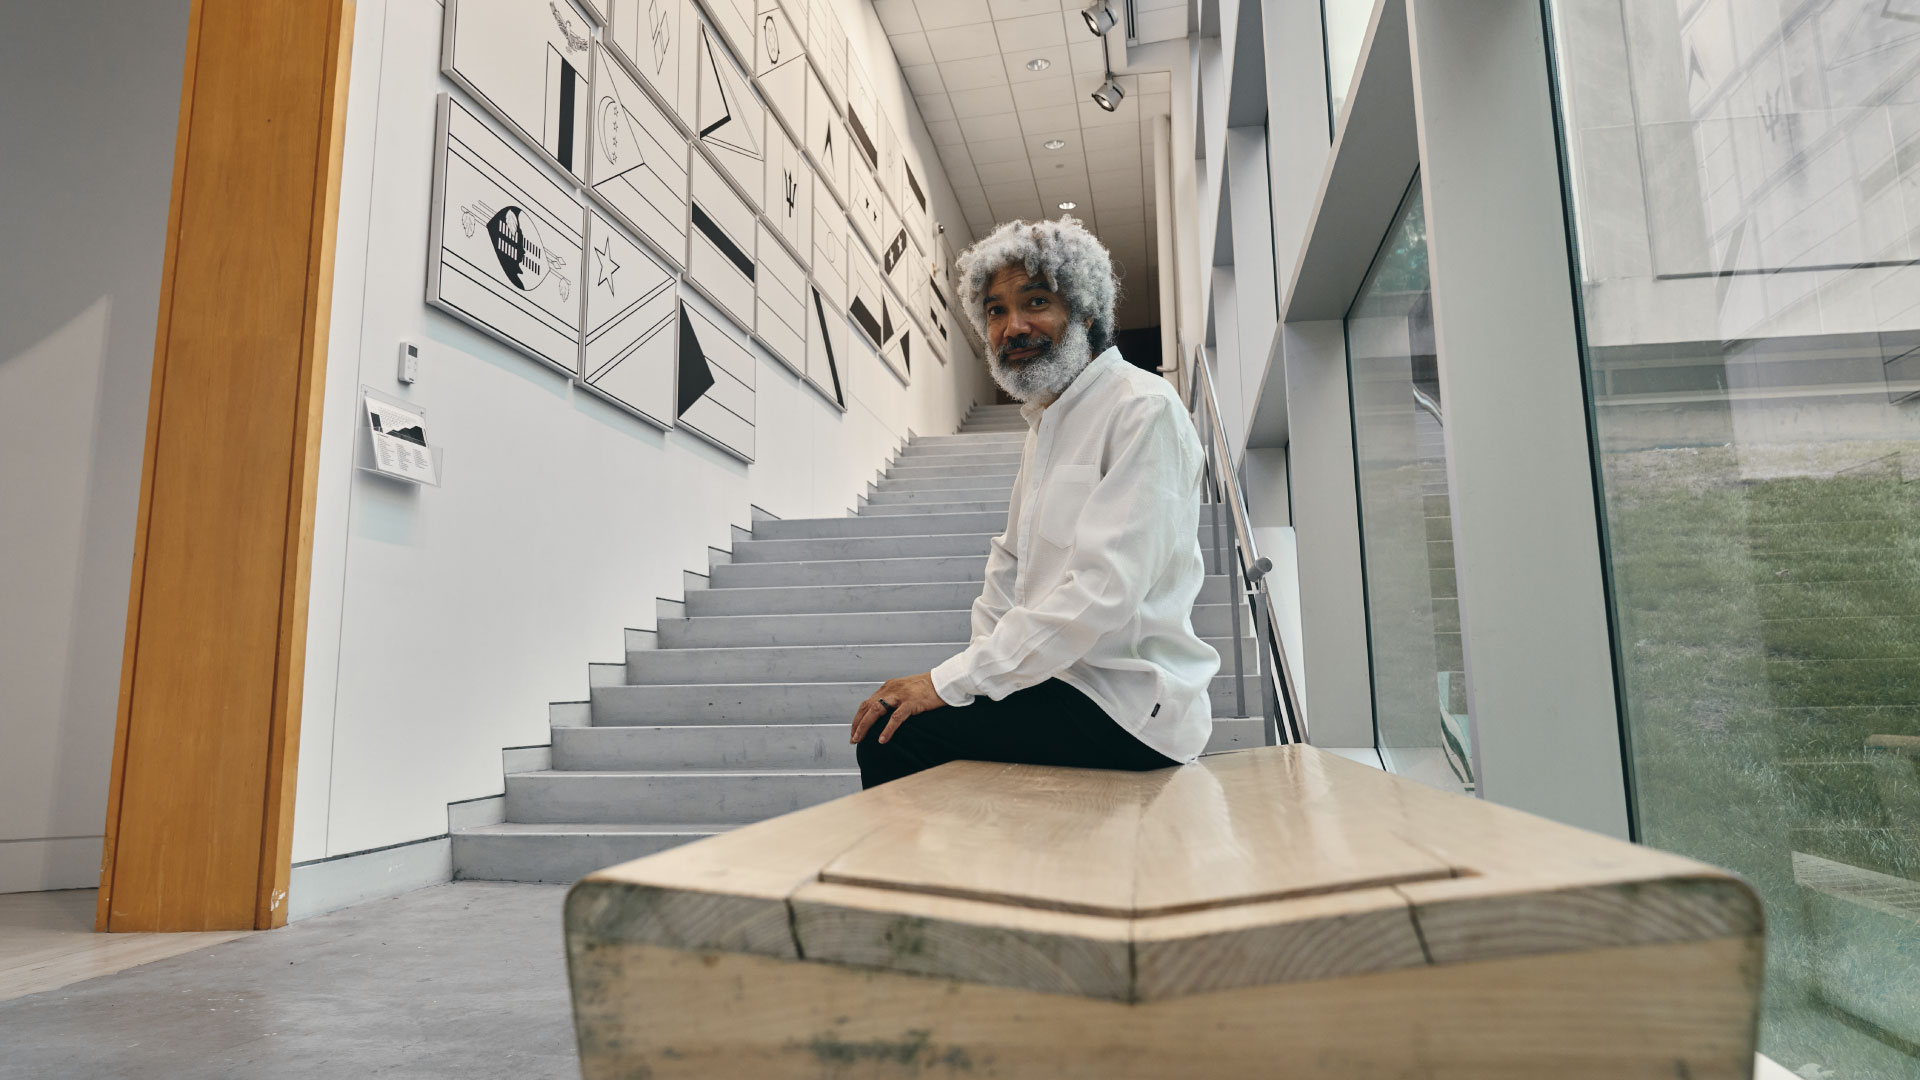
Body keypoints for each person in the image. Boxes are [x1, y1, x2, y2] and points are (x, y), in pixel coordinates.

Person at [850, 216, 1221, 788]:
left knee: (894, 738)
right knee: (904, 720)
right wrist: (972, 682)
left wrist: (951, 684)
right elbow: (1011, 564)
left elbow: (1103, 591)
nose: (1013, 326)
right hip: (1060, 683)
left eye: (1036, 301)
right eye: (996, 311)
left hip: (1128, 703)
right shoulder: (1046, 423)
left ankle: (939, 878)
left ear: (1086, 311)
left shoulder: (1142, 408)